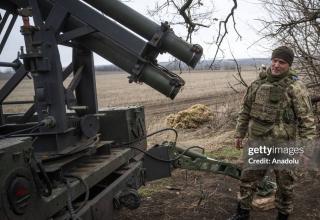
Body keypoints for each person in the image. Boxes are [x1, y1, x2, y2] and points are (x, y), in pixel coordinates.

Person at [230, 46, 317, 220]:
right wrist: (239, 133)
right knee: (247, 180)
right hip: (258, 142)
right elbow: (245, 109)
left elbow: (307, 121)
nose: (276, 65)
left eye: (282, 62)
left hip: (285, 146)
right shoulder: (258, 83)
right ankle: (242, 214)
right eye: (275, 60)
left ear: (289, 65)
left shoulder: (296, 87)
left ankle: (283, 216)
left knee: (285, 185)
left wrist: (307, 151)